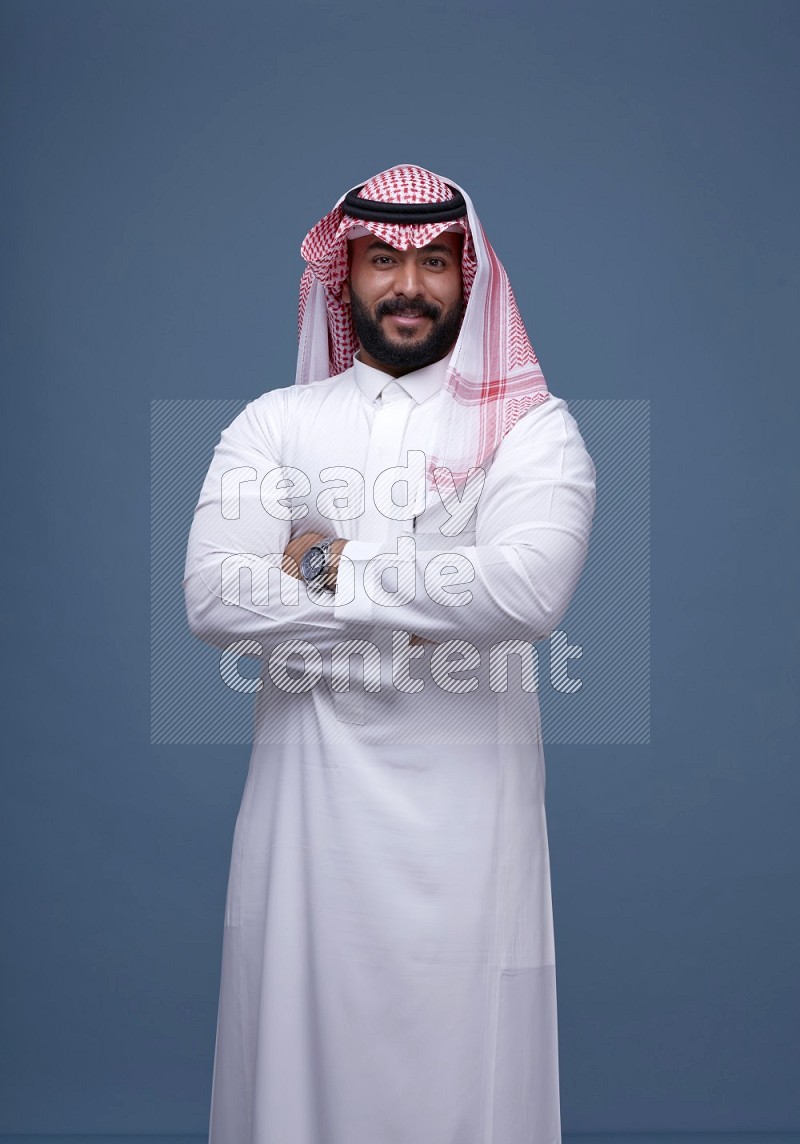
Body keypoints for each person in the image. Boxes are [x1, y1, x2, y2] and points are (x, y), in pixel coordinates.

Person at [184, 164, 596, 1144]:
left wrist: (323, 562)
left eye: (430, 262)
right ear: (345, 275)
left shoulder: (531, 431)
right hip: (308, 828)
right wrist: (427, 606)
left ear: (468, 275)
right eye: (380, 260)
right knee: (296, 1069)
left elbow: (528, 590)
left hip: (468, 833)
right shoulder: (271, 426)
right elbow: (213, 593)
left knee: (463, 1074)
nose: (406, 285)